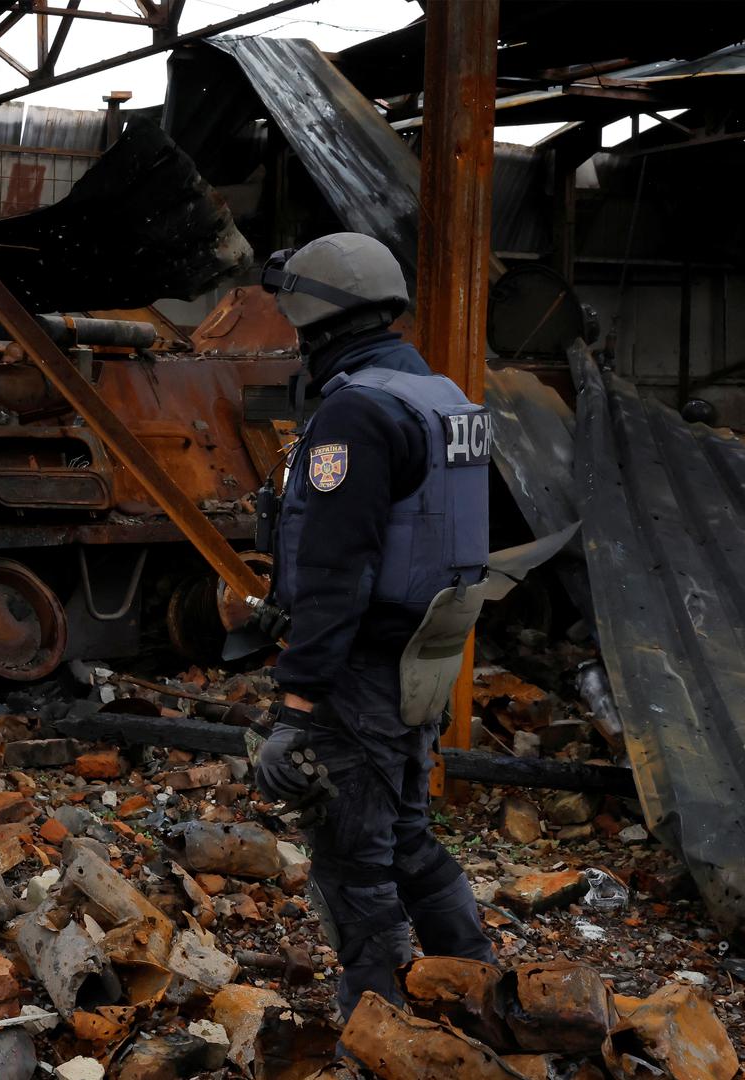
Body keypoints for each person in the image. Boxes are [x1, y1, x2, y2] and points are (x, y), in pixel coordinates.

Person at [248, 232, 497, 1021]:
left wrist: (295, 709)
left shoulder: (357, 412)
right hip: (424, 654)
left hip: (362, 667)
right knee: (406, 834)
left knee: (353, 852)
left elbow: (336, 573)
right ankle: (480, 991)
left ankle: (378, 1024)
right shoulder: (443, 398)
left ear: (314, 320)